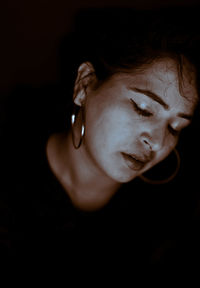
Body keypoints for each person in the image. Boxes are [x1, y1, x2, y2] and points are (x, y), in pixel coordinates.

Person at [1, 6, 200, 269]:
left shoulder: (170, 219)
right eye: (143, 109)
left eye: (175, 128)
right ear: (84, 85)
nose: (158, 142)